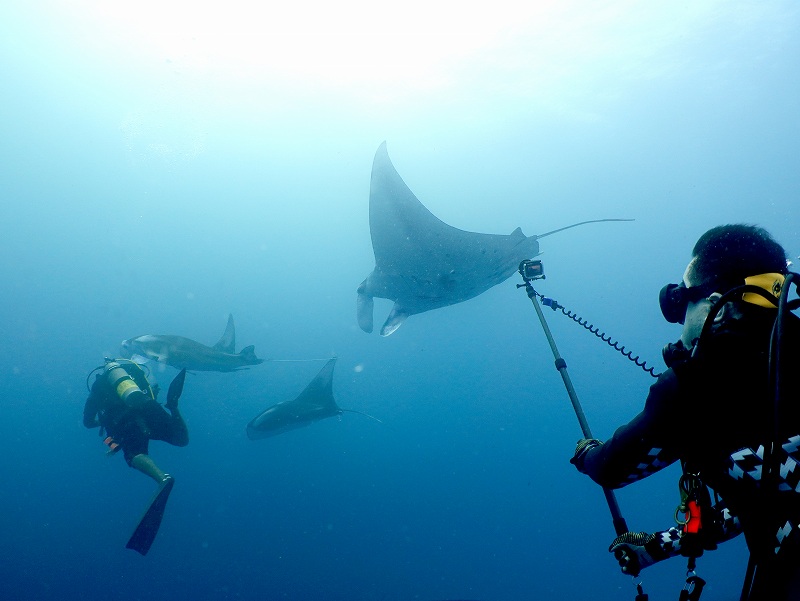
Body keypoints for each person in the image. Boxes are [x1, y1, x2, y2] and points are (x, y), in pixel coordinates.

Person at [569, 224, 799, 600]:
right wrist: (660, 546)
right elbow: (769, 492)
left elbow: (612, 469)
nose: (679, 328)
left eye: (680, 305)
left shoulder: (697, 385)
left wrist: (587, 454)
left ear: (710, 302)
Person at [84, 358, 188, 554]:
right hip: (147, 406)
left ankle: (162, 478)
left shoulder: (96, 389)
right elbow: (151, 389)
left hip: (125, 422)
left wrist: (104, 421)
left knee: (134, 455)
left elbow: (88, 423)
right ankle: (173, 405)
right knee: (180, 439)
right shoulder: (133, 373)